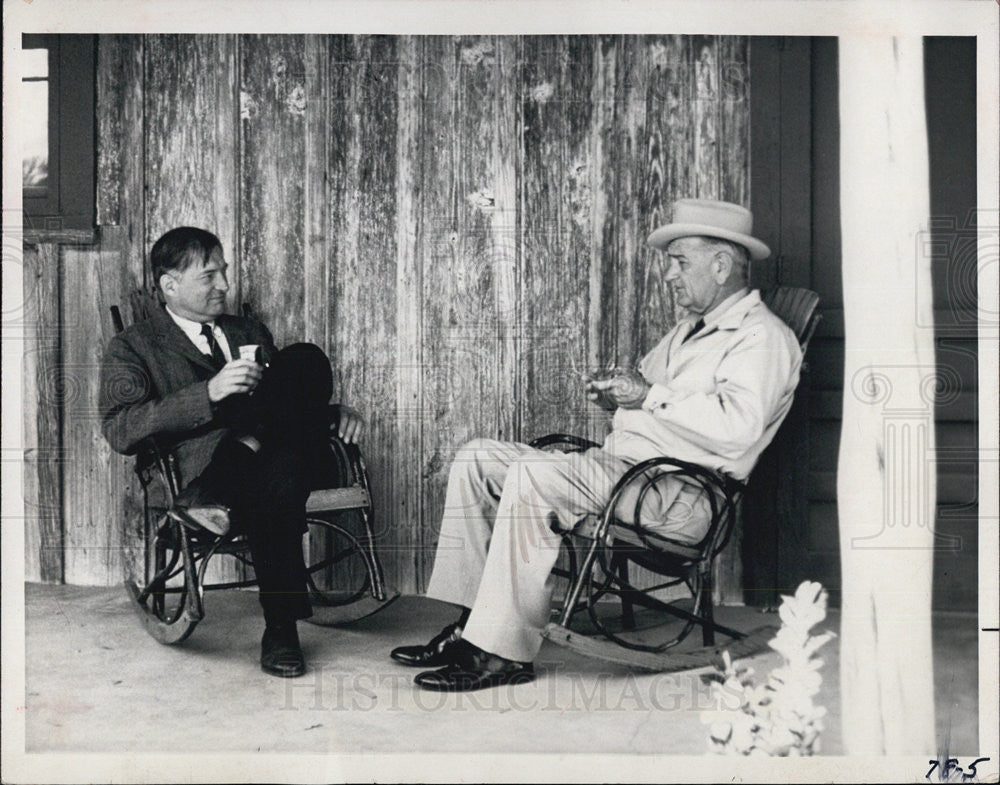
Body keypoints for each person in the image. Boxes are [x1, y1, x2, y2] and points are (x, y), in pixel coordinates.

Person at [390, 198, 803, 691]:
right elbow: (650, 401)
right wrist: (618, 399)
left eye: (680, 262)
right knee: (476, 457)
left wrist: (648, 395)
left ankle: (501, 653)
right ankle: (473, 624)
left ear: (721, 265)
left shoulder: (761, 338)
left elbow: (737, 425)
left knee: (533, 476)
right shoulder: (688, 332)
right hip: (628, 472)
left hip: (678, 496)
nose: (669, 276)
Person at [99, 226, 364, 678]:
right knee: (281, 469)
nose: (224, 284)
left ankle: (232, 467)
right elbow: (121, 428)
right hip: (202, 462)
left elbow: (287, 400)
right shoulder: (134, 346)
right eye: (209, 276)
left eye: (223, 272)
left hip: (232, 476)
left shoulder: (247, 330)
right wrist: (208, 393)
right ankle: (281, 628)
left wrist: (332, 412)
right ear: (169, 284)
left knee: (305, 359)